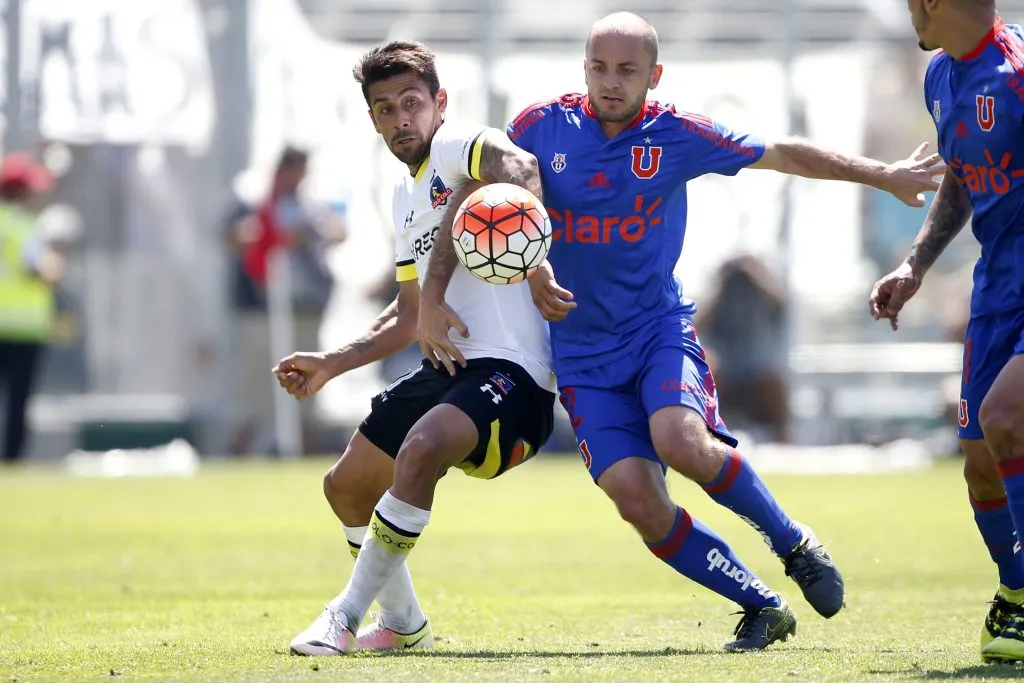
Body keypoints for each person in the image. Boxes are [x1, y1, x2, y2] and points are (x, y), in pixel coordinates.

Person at [418, 12, 943, 651]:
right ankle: (761, 604)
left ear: (654, 75)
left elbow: (778, 152)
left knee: (681, 440)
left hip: (655, 332)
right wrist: (437, 292)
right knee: (636, 500)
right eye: (598, 68)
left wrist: (881, 174)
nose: (610, 83)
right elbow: (475, 195)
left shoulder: (676, 133)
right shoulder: (538, 126)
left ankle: (794, 543)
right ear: (583, 67)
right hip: (581, 357)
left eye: (626, 70)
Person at [277, 40, 556, 656]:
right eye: (385, 108)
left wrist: (532, 259)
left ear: (439, 103)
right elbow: (408, 316)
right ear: (372, 119)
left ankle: (342, 615)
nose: (402, 119)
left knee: (422, 446)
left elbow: (523, 172)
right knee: (346, 486)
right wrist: (332, 363)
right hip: (449, 370)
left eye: (412, 102)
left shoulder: (461, 148)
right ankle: (403, 622)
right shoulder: (405, 198)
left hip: (516, 378)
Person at [870, 0, 1024, 664]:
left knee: (1004, 417)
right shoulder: (941, 76)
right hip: (997, 289)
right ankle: (1016, 599)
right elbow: (963, 178)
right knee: (980, 464)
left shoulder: (1018, 75)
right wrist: (916, 264)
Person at [228, 148, 347, 456]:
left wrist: (308, 232)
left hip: (305, 307)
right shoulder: (254, 202)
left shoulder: (312, 207)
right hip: (262, 308)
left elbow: (337, 231)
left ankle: (307, 447)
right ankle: (240, 449)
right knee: (255, 387)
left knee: (307, 380)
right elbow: (232, 236)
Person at [0, 153, 60, 464]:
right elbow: (37, 268)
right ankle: (11, 460)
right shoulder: (24, 227)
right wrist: (55, 268)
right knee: (17, 403)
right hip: (23, 328)